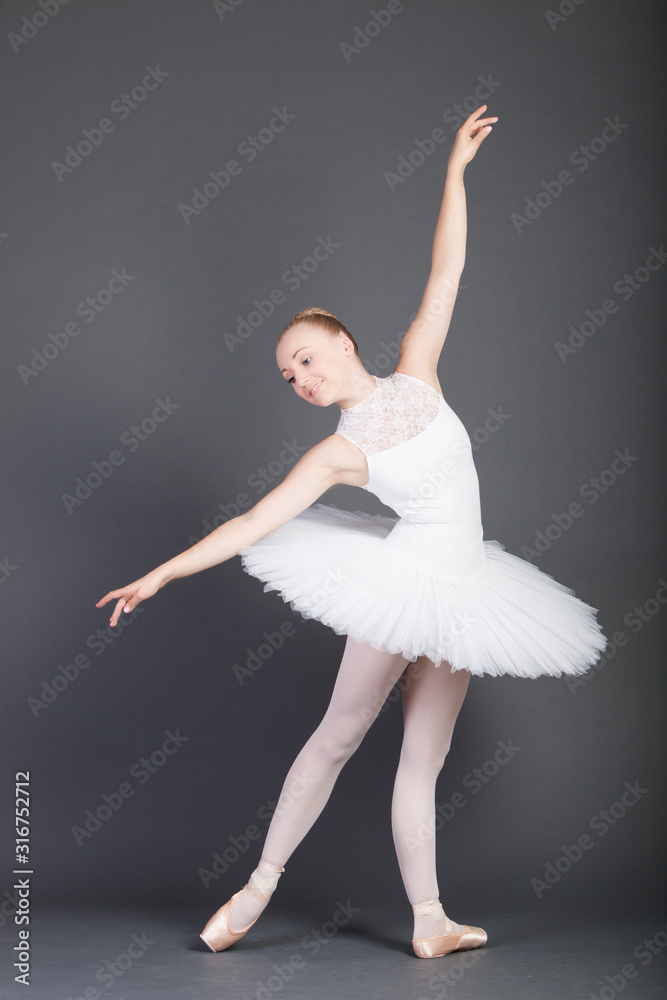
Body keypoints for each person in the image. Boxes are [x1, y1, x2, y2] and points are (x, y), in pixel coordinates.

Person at [96, 105, 607, 959]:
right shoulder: (336, 453)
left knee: (422, 765)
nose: (297, 375)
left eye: (305, 355)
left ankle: (430, 921)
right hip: (402, 585)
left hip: (467, 593)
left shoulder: (418, 368)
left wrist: (453, 171)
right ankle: (255, 892)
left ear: (341, 341)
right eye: (286, 373)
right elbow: (253, 522)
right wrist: (162, 575)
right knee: (338, 735)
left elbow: (447, 270)